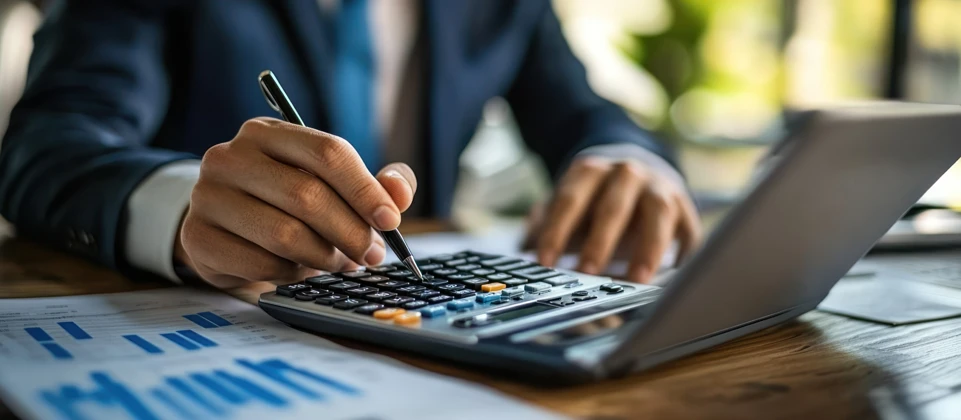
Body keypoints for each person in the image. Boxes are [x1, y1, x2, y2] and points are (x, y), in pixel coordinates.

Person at [0, 0, 701, 288]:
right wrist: (182, 211)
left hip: (422, 339)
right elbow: (48, 143)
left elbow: (583, 112)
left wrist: (627, 158)